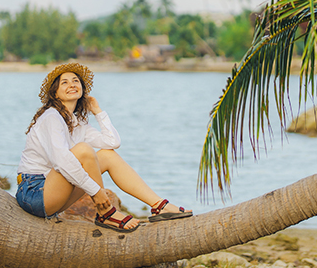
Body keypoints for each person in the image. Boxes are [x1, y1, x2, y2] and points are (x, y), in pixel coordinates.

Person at [15, 62, 192, 232]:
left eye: (76, 81)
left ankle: (159, 205)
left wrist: (98, 112)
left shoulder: (78, 124)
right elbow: (62, 162)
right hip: (35, 193)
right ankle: (106, 213)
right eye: (65, 82)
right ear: (55, 93)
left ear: (82, 89)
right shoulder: (51, 117)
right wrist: (97, 192)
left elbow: (112, 142)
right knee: (84, 150)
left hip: (55, 191)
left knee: (107, 155)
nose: (72, 84)